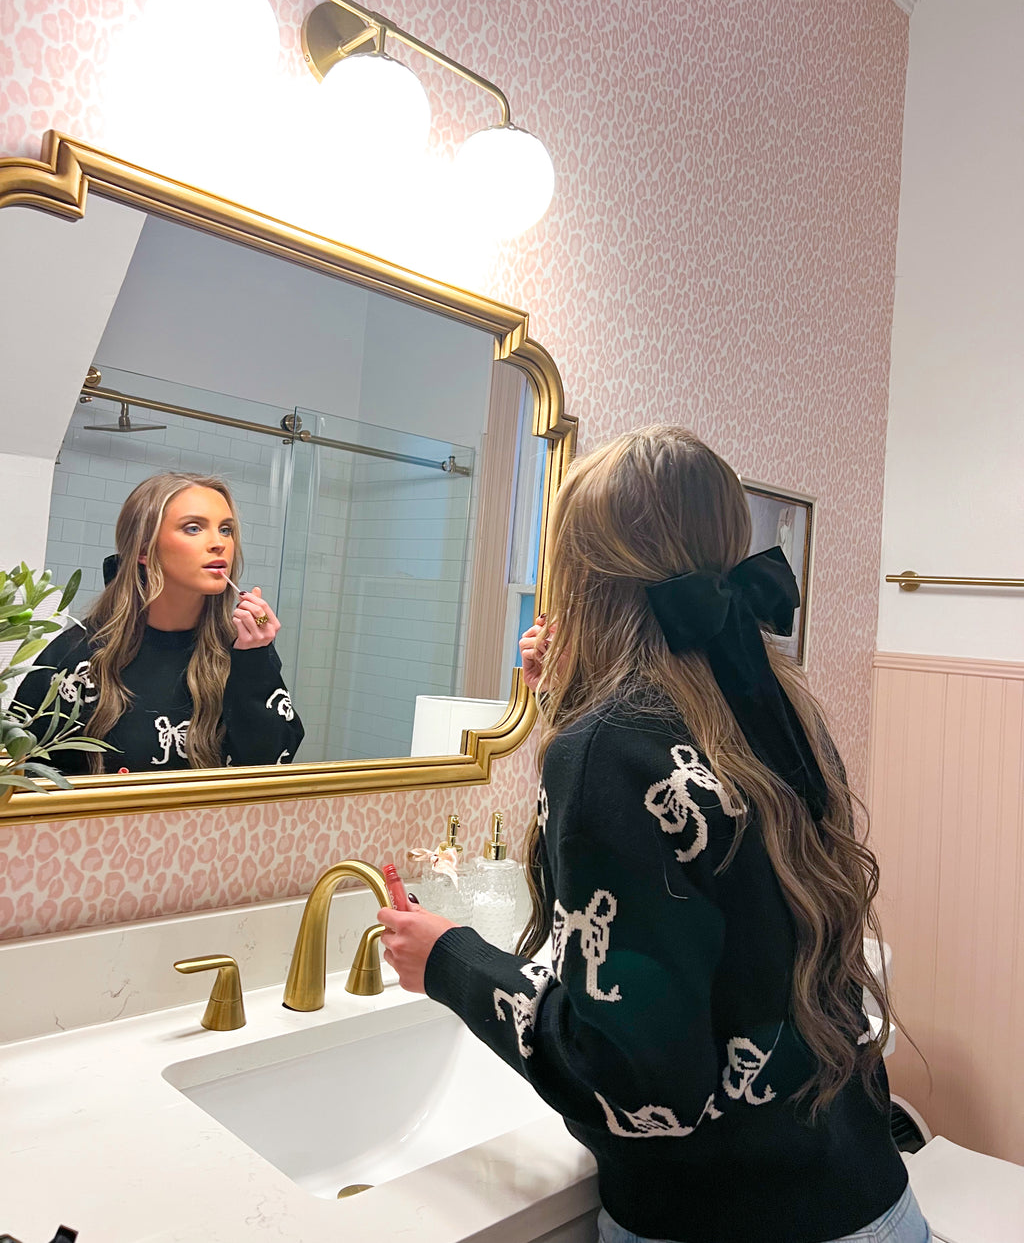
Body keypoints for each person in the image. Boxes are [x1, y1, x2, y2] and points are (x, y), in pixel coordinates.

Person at [378, 426, 930, 1243]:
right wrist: (577, 708)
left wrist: (450, 959)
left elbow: (641, 1084)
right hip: (867, 1198)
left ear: (584, 576)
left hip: (725, 1220)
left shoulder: (608, 747)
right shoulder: (773, 702)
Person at [16, 472, 303, 775]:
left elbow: (269, 773)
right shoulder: (79, 654)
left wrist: (255, 659)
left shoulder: (244, 651)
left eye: (226, 530)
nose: (219, 543)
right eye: (193, 528)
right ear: (142, 550)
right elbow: (21, 772)